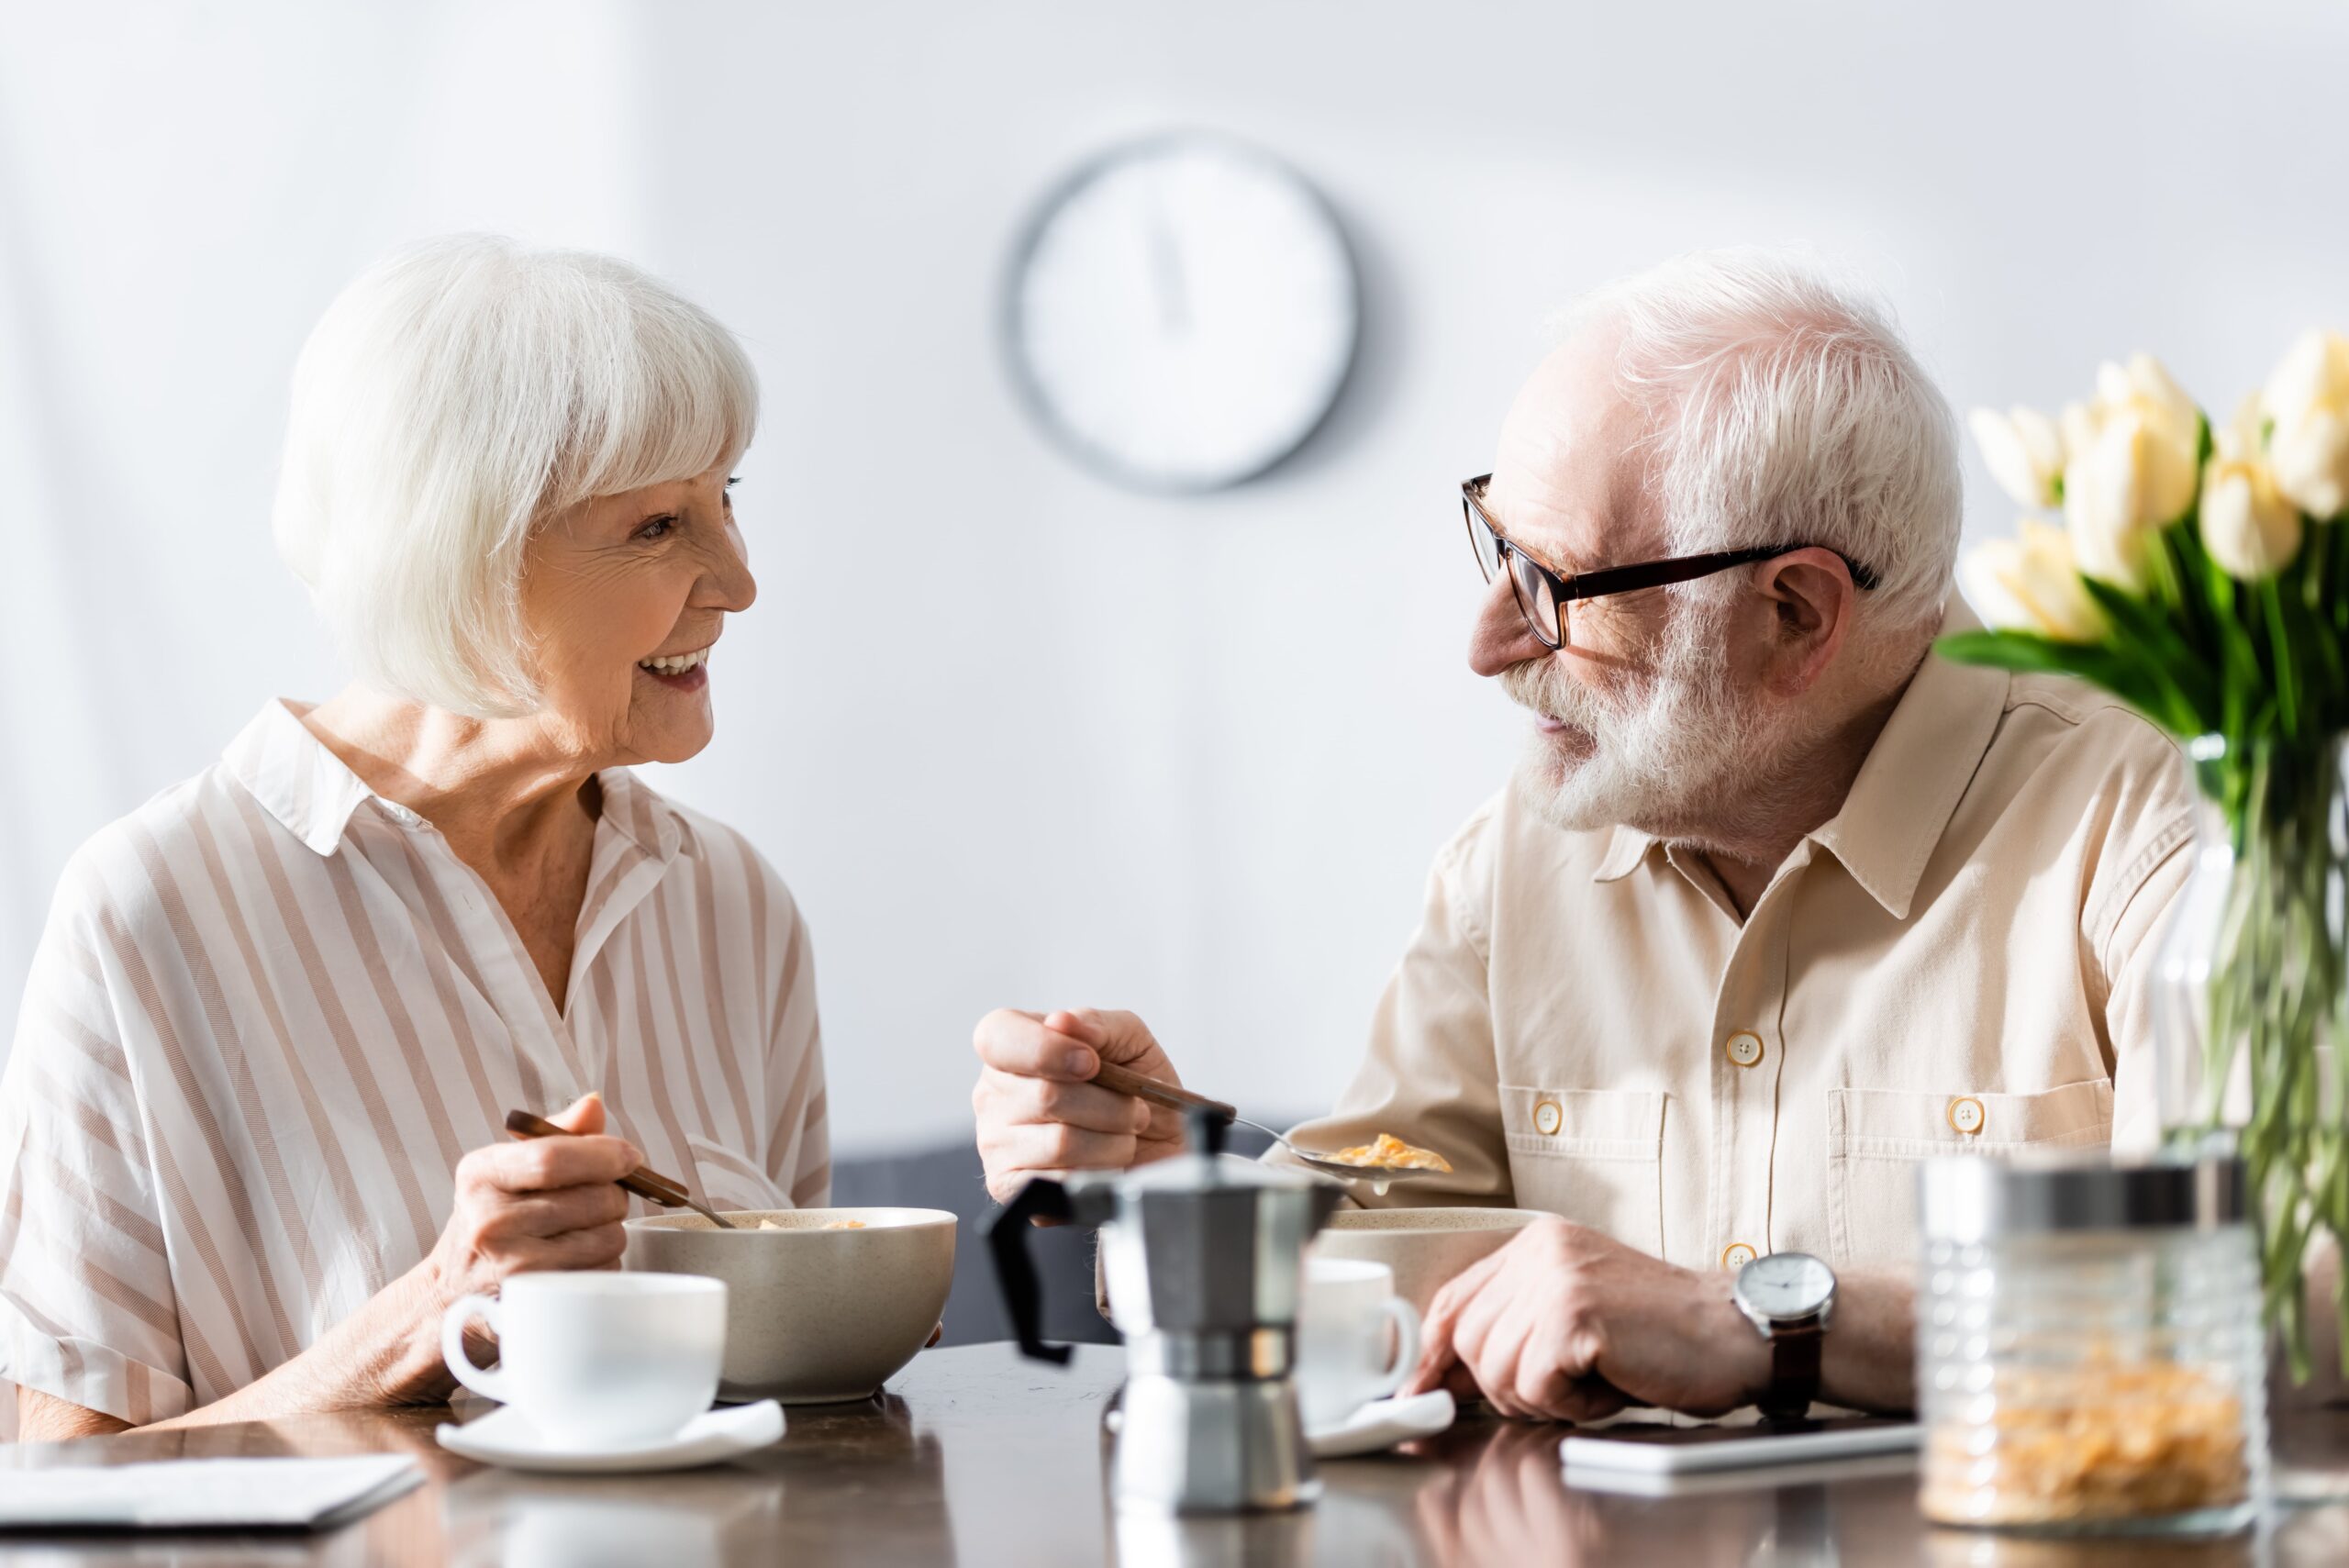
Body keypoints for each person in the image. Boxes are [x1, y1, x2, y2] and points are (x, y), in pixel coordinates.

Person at [971, 250, 2193, 1422]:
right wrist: (1165, 1183)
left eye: (1555, 585)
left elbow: (2292, 1294)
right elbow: (1393, 1227)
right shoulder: (1519, 858)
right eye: (1499, 546)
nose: (1489, 643)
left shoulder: (2153, 831)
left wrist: (1761, 1324)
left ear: (1796, 611)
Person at [0, 236, 828, 1440]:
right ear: (466, 558)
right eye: (658, 526)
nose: (737, 581)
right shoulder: (154, 911)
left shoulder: (735, 907)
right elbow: (57, 1493)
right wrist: (433, 1309)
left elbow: (813, 1414)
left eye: (727, 501)